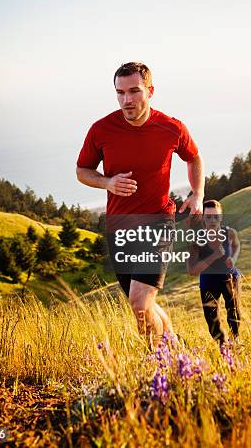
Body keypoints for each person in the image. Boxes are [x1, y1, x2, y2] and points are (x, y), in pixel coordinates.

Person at [76, 62, 204, 346]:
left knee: (138, 301)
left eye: (134, 91)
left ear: (150, 91)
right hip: (120, 228)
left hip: (158, 223)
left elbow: (193, 157)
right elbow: (82, 170)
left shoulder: (171, 128)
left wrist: (197, 193)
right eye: (120, 93)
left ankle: (157, 364)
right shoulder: (101, 129)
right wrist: (107, 183)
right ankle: (174, 346)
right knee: (144, 304)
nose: (126, 100)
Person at [187, 199, 241, 345]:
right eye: (208, 217)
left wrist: (234, 258)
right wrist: (213, 256)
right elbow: (191, 270)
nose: (212, 220)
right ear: (203, 218)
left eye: (216, 216)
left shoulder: (230, 233)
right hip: (208, 281)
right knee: (212, 320)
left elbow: (236, 245)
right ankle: (224, 348)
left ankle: (235, 342)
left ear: (221, 217)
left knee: (233, 311)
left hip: (229, 277)